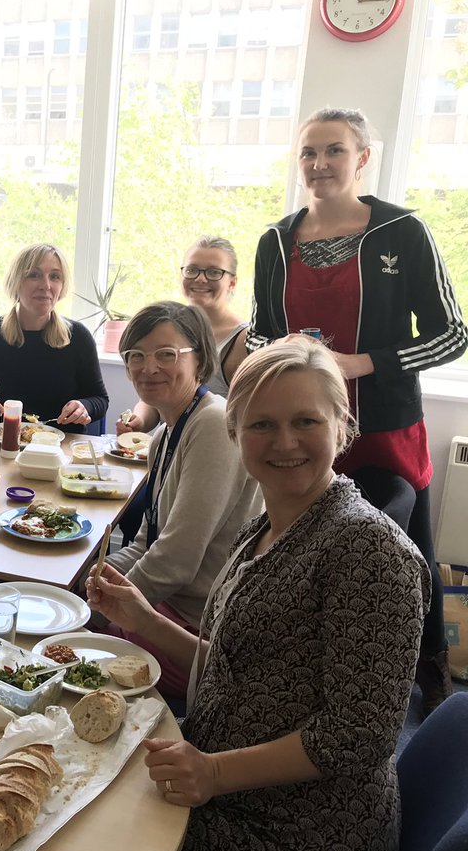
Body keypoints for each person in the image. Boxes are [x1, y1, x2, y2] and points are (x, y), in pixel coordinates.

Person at [87, 337, 429, 851]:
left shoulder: (369, 551)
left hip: (293, 829)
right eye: (262, 424)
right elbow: (236, 668)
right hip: (220, 778)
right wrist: (144, 619)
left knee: (94, 839)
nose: (284, 442)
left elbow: (358, 735)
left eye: (306, 421)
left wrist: (213, 772)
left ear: (341, 426)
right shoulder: (263, 530)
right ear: (235, 434)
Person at [247, 106, 467, 713]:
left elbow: (452, 335)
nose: (319, 164)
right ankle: (305, 672)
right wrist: (290, 356)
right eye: (309, 153)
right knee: (303, 549)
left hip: (384, 428)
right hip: (302, 427)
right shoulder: (275, 241)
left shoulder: (403, 232)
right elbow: (261, 332)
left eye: (334, 151)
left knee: (401, 551)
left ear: (362, 158)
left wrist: (360, 363)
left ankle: (428, 665)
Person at [95, 302, 261, 700]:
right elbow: (145, 542)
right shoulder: (163, 435)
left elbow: (176, 561)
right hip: (167, 608)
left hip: (197, 629)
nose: (148, 368)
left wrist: (102, 610)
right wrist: (96, 578)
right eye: (136, 355)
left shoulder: (213, 425)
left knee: (72, 656)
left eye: (166, 354)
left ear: (199, 359)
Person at [0, 243, 108, 431]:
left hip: (61, 445)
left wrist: (85, 406)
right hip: (1, 442)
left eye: (55, 276)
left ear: (62, 286)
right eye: (34, 275)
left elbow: (100, 399)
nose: (46, 285)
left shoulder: (78, 337)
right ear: (15, 282)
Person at [118, 237, 249, 435]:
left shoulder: (241, 341)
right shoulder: (169, 324)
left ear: (232, 282)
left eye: (214, 272)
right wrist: (139, 421)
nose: (200, 279)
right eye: (192, 270)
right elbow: (159, 391)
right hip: (173, 441)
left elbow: (247, 417)